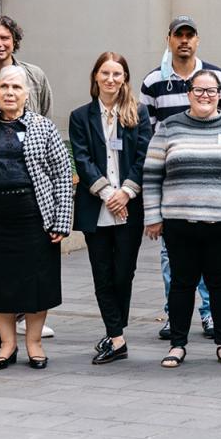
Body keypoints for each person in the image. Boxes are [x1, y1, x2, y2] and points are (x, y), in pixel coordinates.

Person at [143, 68, 221, 370]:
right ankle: (178, 344)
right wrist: (152, 216)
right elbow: (152, 174)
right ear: (189, 93)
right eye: (199, 90)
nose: (205, 96)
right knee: (181, 284)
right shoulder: (169, 127)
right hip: (179, 223)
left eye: (211, 91)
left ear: (220, 94)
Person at [0, 65, 73, 370]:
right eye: (4, 87)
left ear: (27, 94)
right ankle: (7, 345)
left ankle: (34, 344)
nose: (10, 93)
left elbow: (62, 174)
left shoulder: (43, 127)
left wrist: (62, 220)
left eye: (16, 88)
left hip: (34, 217)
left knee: (37, 282)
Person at [140, 15, 221, 340]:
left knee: (210, 255)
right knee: (171, 256)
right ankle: (173, 315)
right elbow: (146, 134)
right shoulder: (153, 83)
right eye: (178, 35)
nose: (184, 41)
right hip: (172, 185)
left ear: (197, 39)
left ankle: (208, 315)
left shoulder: (217, 76)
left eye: (189, 35)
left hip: (211, 184)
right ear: (169, 39)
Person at [69, 52, 154, 366]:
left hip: (129, 207)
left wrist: (126, 193)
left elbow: (143, 156)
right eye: (105, 73)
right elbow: (82, 158)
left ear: (125, 79)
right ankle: (117, 337)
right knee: (102, 274)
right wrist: (107, 193)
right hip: (97, 206)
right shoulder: (80, 116)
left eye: (117, 74)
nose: (110, 79)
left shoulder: (138, 113)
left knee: (124, 274)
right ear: (95, 77)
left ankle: (115, 329)